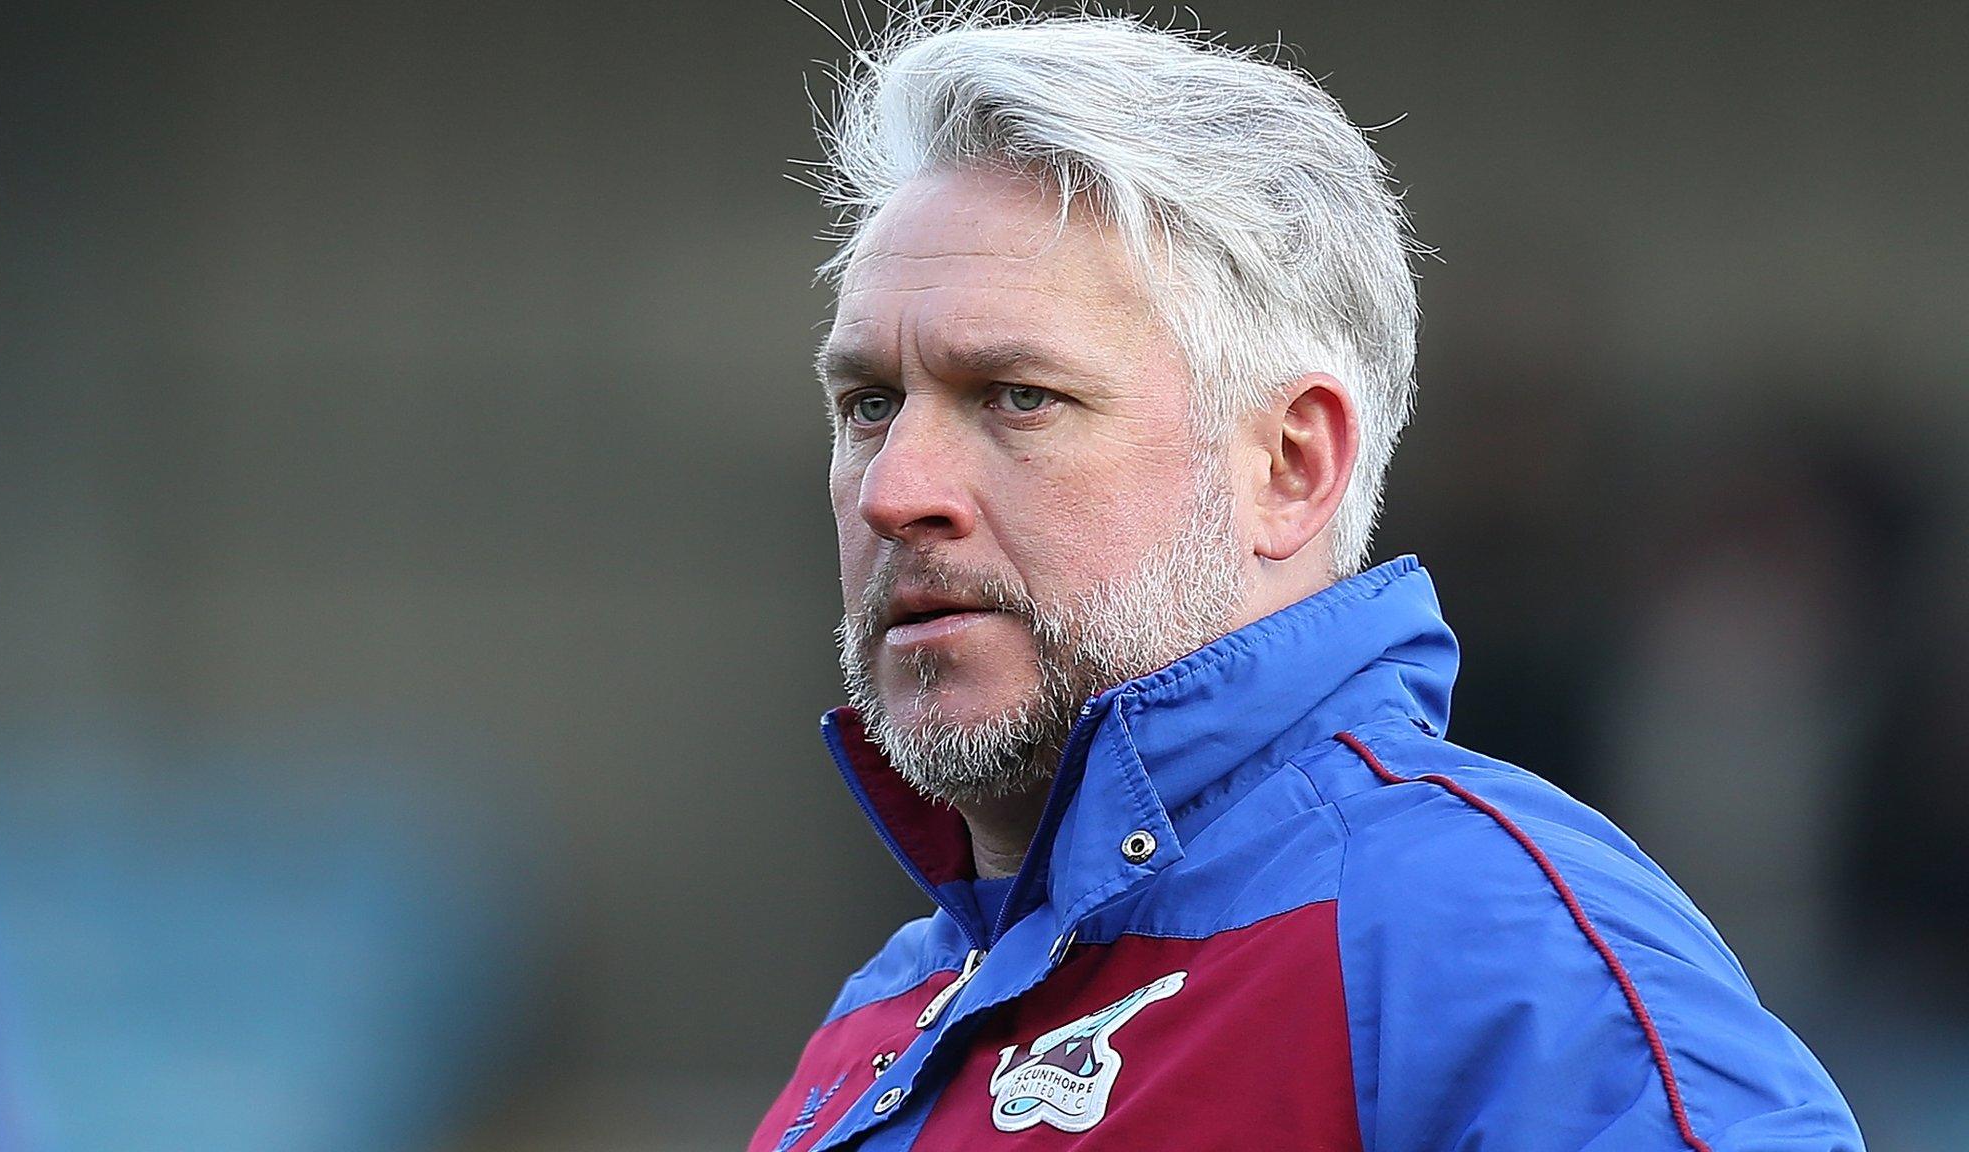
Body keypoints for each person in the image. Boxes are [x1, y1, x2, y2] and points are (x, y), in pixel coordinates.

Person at [751, 10, 1864, 1150]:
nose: (895, 491)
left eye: (1017, 396)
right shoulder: (870, 1036)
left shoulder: (1492, 958)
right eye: (868, 405)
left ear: (1289, 465)